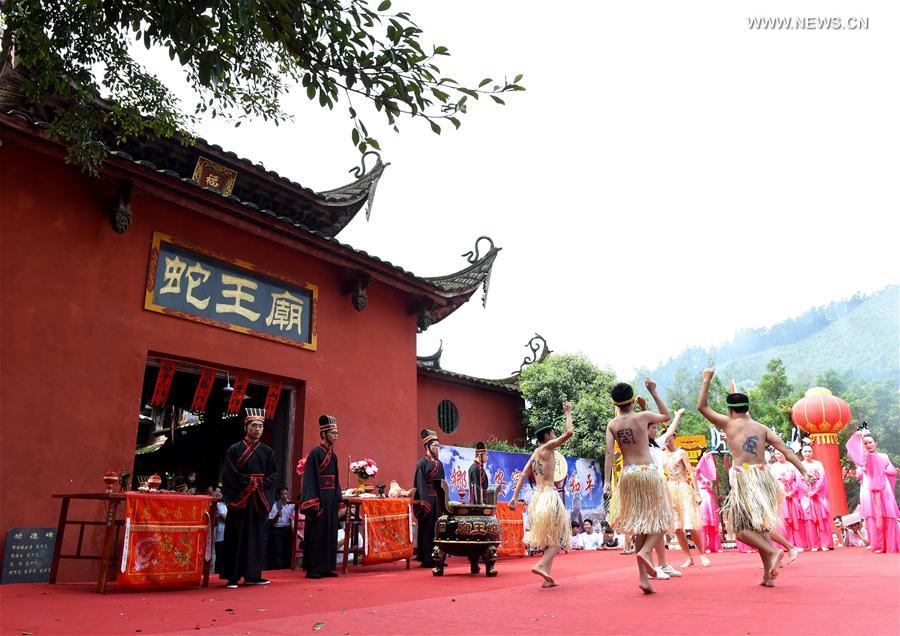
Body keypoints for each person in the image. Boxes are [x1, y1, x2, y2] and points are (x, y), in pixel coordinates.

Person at [697, 369, 813, 587]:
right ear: (747, 408)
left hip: (745, 479)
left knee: (739, 529)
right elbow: (787, 451)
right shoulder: (761, 428)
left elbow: (702, 407)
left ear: (730, 410)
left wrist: (706, 380)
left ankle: (772, 551)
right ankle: (768, 576)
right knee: (760, 528)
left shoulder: (728, 424)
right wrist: (803, 470)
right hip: (764, 478)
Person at [603, 380, 671, 594]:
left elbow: (608, 454)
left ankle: (643, 578)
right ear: (633, 400)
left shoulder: (612, 424)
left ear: (615, 403)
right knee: (662, 518)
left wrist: (607, 482)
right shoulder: (642, 417)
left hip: (628, 475)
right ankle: (646, 552)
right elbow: (666, 416)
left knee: (641, 525)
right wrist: (653, 391)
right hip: (647, 472)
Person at [509, 401, 574, 588]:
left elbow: (523, 474)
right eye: (552, 433)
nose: (554, 436)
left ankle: (547, 578)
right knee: (560, 536)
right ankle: (541, 564)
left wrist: (514, 497)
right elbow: (569, 433)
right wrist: (568, 413)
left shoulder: (535, 453)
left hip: (537, 498)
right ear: (547, 435)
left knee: (550, 537)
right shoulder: (547, 447)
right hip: (548, 496)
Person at [220, 408, 279, 588]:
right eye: (254, 425)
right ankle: (233, 576)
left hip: (258, 499)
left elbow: (273, 475)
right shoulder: (234, 449)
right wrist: (248, 482)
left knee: (256, 537)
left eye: (261, 426)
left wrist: (258, 485)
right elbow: (229, 475)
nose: (257, 429)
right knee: (236, 536)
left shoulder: (268, 452)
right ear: (246, 427)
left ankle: (253, 575)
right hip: (240, 498)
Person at [662, 422, 710, 567]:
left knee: (690, 524)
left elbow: (691, 472)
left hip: (683, 488)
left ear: (674, 437)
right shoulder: (662, 454)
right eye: (665, 437)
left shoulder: (682, 453)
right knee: (677, 527)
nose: (667, 440)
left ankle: (701, 553)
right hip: (670, 489)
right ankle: (688, 557)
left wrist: (696, 493)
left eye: (670, 437)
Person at [299, 415, 342, 578]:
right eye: (333, 432)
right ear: (324, 434)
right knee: (317, 532)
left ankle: (326, 567)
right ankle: (314, 568)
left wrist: (338, 497)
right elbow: (310, 478)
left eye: (337, 433)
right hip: (319, 497)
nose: (336, 436)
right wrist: (314, 501)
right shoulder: (315, 453)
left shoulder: (334, 455)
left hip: (330, 497)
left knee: (329, 531)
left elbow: (336, 479)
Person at [846, 427, 900, 553]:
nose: (868, 445)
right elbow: (858, 472)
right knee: (872, 517)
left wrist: (882, 470)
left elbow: (892, 471)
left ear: (876, 443)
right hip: (868, 490)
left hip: (883, 489)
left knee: (888, 516)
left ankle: (891, 545)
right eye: (865, 443)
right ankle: (877, 546)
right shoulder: (861, 459)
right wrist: (857, 436)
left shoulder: (883, 456)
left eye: (870, 442)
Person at [646, 403, 684, 579]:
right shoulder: (640, 446)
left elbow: (669, 433)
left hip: (660, 487)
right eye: (652, 428)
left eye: (655, 428)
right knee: (654, 526)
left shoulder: (656, 444)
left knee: (662, 524)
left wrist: (677, 415)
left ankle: (662, 564)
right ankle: (651, 564)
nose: (655, 431)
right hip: (647, 488)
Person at [413, 428, 446, 568]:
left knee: (438, 529)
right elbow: (420, 484)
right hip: (427, 501)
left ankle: (438, 557)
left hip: (438, 501)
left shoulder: (440, 464)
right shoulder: (422, 463)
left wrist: (444, 500)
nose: (437, 449)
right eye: (435, 446)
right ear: (427, 447)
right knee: (427, 529)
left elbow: (443, 484)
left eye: (439, 446)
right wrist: (424, 502)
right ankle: (426, 558)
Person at [771, 448, 810, 550]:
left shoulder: (792, 466)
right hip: (781, 497)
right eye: (776, 454)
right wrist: (783, 493)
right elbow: (773, 482)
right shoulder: (773, 467)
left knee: (797, 520)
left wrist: (792, 492)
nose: (778, 455)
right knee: (784, 521)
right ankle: (786, 545)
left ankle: (800, 544)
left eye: (780, 453)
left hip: (794, 496)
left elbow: (799, 480)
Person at [799, 444, 833, 550]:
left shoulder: (818, 464)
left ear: (812, 453)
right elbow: (799, 481)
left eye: (809, 451)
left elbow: (822, 478)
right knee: (809, 521)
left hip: (818, 495)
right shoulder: (799, 465)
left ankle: (826, 544)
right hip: (807, 496)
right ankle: (814, 544)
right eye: (805, 451)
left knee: (823, 518)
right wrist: (808, 491)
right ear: (802, 453)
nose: (807, 453)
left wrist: (815, 491)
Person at [696, 450, 722, 553]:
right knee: (703, 522)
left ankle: (715, 546)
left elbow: (714, 478)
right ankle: (703, 546)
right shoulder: (697, 472)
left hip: (710, 497)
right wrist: (704, 457)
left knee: (713, 523)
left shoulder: (710, 473)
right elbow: (696, 474)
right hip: (702, 497)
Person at [267, 487, 296, 569]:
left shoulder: (291, 505)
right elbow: (271, 521)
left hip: (287, 529)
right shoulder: (276, 505)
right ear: (279, 495)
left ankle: (287, 567)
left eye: (286, 493)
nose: (285, 496)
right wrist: (277, 516)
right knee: (278, 550)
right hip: (278, 530)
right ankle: (279, 568)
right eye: (283, 494)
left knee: (287, 549)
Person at [214, 487, 227, 574]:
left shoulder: (225, 505)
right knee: (219, 556)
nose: (218, 493)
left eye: (220, 492)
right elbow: (224, 518)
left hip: (227, 533)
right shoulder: (217, 505)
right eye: (216, 491)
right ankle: (217, 573)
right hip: (220, 534)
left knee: (224, 557)